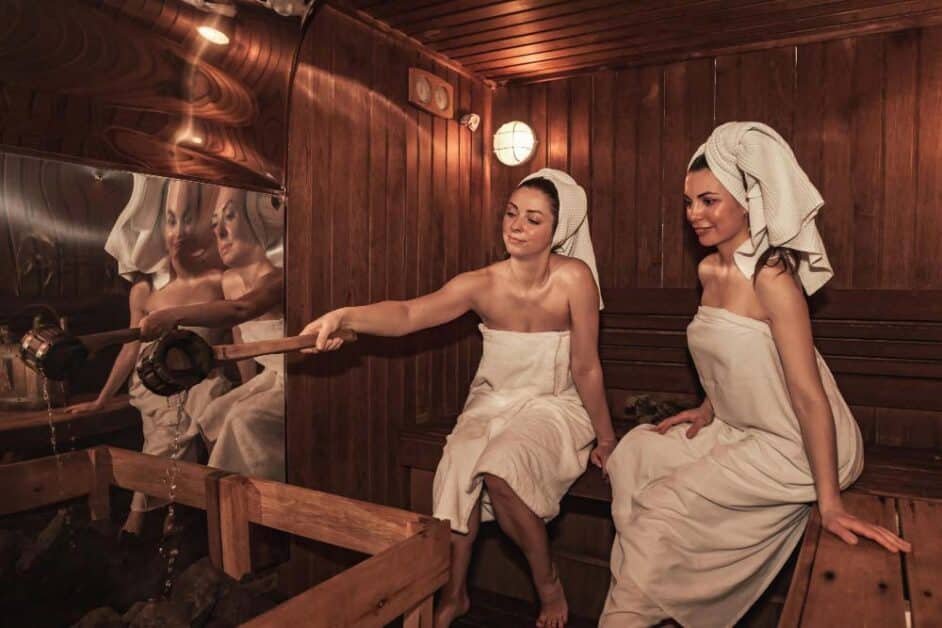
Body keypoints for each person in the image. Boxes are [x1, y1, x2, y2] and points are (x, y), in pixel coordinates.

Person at [600, 122, 911, 627]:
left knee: (663, 503)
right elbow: (727, 356)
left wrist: (829, 505)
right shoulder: (708, 271)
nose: (694, 215)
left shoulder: (773, 278)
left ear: (748, 201)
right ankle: (650, 583)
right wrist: (706, 407)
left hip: (796, 441)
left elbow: (809, 396)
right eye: (688, 203)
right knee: (637, 451)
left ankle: (631, 609)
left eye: (708, 201)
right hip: (741, 424)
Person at [300, 168, 616, 628]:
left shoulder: (575, 279)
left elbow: (586, 365)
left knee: (502, 468)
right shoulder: (481, 283)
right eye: (511, 214)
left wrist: (605, 439)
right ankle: (455, 594)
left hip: (555, 404)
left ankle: (548, 585)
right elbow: (409, 314)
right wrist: (345, 317)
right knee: (456, 470)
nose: (516, 227)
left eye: (533, 220)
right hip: (491, 402)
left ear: (557, 229)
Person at [69, 176, 230, 536]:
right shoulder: (145, 290)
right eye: (170, 222)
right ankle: (158, 521)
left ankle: (142, 521)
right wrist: (100, 401)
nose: (178, 234)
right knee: (161, 435)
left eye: (188, 221)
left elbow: (238, 338)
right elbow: (131, 348)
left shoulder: (221, 282)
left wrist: (248, 390)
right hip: (151, 383)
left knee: (194, 419)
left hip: (201, 380)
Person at [138, 186, 286, 481]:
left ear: (255, 221)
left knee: (243, 419)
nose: (218, 229)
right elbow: (242, 339)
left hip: (294, 377)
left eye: (229, 217)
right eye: (215, 221)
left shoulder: (278, 277)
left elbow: (240, 311)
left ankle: (264, 501)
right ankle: (229, 500)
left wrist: (172, 316)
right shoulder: (230, 280)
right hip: (269, 377)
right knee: (213, 415)